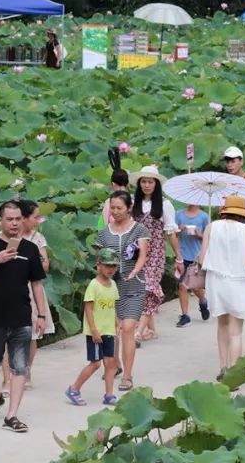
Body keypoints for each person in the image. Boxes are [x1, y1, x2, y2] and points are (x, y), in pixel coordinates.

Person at [0, 201, 47, 433]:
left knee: (20, 368)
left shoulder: (31, 249)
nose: (14, 223)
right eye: (10, 219)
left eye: (18, 219)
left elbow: (36, 284)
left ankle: (12, 415)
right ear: (0, 220)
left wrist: (41, 314)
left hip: (22, 315)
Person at [198, 195, 245, 380]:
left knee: (222, 325)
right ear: (242, 214)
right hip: (239, 282)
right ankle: (233, 373)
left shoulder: (212, 227)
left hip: (216, 282)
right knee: (236, 331)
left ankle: (223, 367)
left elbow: (202, 259)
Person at [96, 191, 149, 392]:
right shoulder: (104, 233)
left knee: (127, 329)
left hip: (134, 286)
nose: (115, 211)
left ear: (128, 208)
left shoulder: (139, 229)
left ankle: (127, 375)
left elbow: (143, 255)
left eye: (119, 207)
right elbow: (98, 260)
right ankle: (115, 364)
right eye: (113, 207)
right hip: (111, 288)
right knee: (112, 330)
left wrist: (135, 270)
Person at [130, 166, 182, 343]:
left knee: (149, 289)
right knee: (141, 290)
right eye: (143, 181)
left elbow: (171, 233)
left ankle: (138, 332)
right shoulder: (132, 203)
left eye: (150, 182)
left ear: (156, 184)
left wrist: (178, 256)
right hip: (137, 252)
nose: (146, 185)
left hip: (155, 253)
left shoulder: (165, 205)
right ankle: (151, 329)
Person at [64, 248, 121, 406]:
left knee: (110, 363)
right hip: (96, 332)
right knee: (96, 363)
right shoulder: (94, 286)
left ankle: (109, 394)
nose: (111, 269)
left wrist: (117, 322)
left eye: (114, 266)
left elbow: (113, 307)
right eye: (107, 265)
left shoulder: (113, 285)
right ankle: (74, 389)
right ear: (99, 265)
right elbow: (88, 309)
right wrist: (94, 330)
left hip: (109, 330)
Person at [20, 200, 54, 382]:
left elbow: (45, 265)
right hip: (13, 286)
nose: (38, 220)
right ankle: (9, 377)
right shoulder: (10, 237)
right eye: (35, 217)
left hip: (33, 288)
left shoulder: (38, 238)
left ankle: (26, 371)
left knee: (31, 335)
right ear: (24, 218)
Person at [176, 202, 210, 327]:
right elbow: (172, 234)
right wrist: (180, 229)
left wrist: (198, 234)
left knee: (196, 287)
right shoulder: (178, 214)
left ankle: (203, 301)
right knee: (182, 286)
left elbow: (209, 237)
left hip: (197, 256)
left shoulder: (204, 216)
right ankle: (185, 316)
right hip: (182, 255)